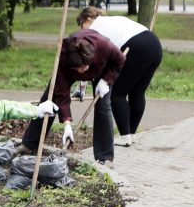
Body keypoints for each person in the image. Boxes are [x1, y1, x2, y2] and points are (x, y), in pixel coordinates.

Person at [20, 30, 125, 164]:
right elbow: (61, 93)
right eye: (79, 69)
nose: (83, 71)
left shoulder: (104, 46)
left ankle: (105, 157)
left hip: (103, 72)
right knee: (50, 98)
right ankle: (30, 144)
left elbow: (120, 60)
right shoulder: (63, 59)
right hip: (68, 69)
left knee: (103, 105)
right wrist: (67, 124)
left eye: (85, 67)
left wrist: (107, 80)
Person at [76, 6, 163, 146]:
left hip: (137, 47)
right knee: (137, 92)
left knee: (117, 94)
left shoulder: (94, 30)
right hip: (155, 45)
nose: (82, 30)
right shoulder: (112, 20)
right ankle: (131, 134)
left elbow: (89, 60)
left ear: (88, 20)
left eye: (81, 25)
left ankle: (125, 137)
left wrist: (81, 86)